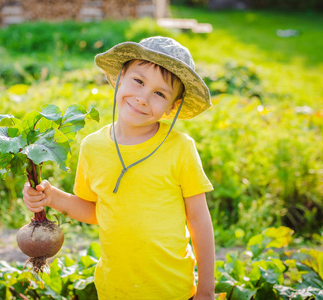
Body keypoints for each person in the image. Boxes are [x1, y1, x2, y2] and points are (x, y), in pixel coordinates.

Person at [23, 36, 215, 300]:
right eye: (138, 81)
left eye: (160, 93)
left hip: (172, 289)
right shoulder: (93, 147)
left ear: (172, 107)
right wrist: (53, 196)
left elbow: (199, 221)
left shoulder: (180, 148)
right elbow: (95, 210)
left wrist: (206, 290)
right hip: (115, 288)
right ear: (120, 77)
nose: (143, 98)